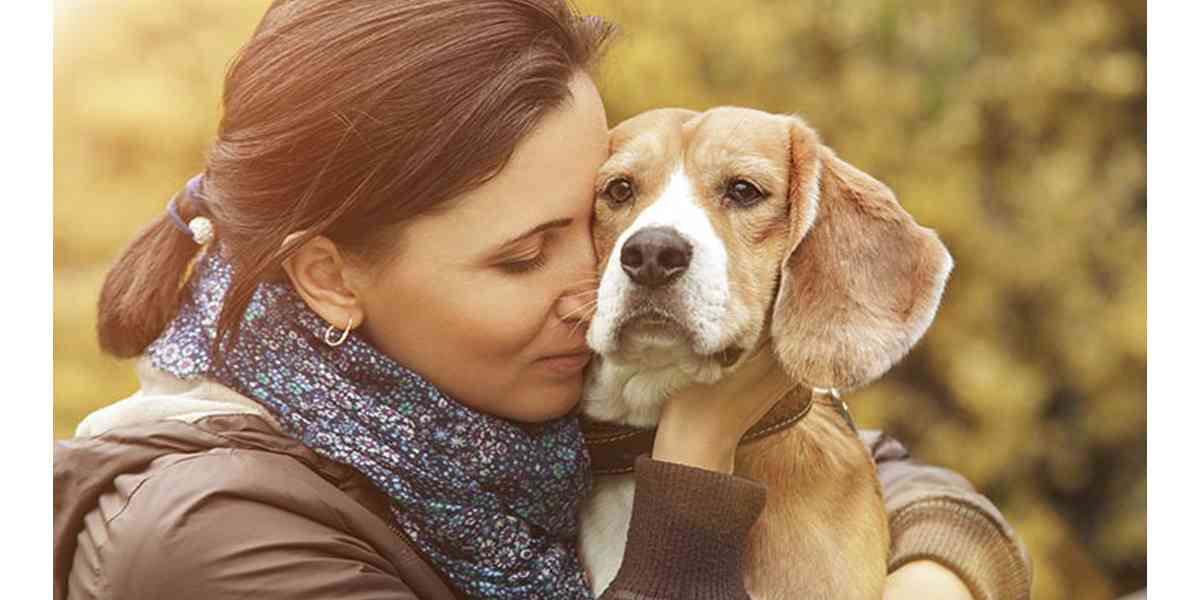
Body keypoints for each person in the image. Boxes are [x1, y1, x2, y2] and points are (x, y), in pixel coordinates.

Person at [53, 1, 1031, 599]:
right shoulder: (210, 544)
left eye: (588, 221)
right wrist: (692, 459)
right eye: (524, 255)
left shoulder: (499, 391)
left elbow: (893, 479)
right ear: (332, 278)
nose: (591, 287)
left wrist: (927, 576)